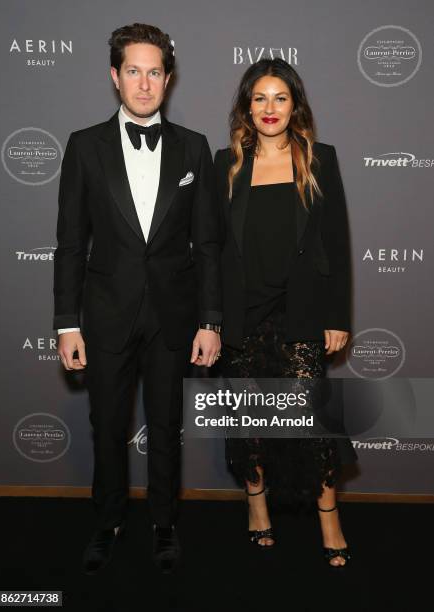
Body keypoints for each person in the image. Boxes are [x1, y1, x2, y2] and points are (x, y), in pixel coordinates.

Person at [53, 23, 222, 574]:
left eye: (154, 72)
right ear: (114, 76)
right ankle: (107, 522)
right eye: (133, 71)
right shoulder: (84, 146)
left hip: (174, 317)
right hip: (105, 316)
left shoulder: (195, 147)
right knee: (107, 427)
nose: (144, 84)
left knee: (167, 425)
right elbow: (71, 244)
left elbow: (210, 245)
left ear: (167, 80)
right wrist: (65, 323)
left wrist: (211, 321)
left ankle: (165, 522)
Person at [214, 58, 357, 567]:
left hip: (301, 311)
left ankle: (329, 521)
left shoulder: (320, 159)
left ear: (295, 105)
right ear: (246, 106)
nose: (269, 108)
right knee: (250, 422)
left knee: (312, 424)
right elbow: (210, 250)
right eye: (259, 98)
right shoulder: (225, 163)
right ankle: (257, 513)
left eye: (279, 98)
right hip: (242, 315)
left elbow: (336, 245)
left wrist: (337, 316)